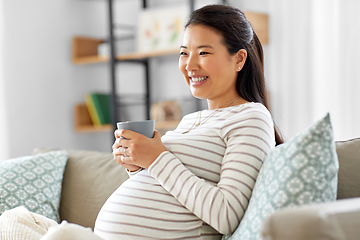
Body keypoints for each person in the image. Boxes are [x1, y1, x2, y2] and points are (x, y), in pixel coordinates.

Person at [0, 4, 282, 240]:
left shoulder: (251, 117)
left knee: (57, 236)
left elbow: (226, 215)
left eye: (204, 53)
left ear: (239, 59)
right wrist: (138, 165)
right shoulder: (191, 120)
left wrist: (156, 158)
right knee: (13, 220)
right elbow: (169, 192)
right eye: (184, 52)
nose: (189, 64)